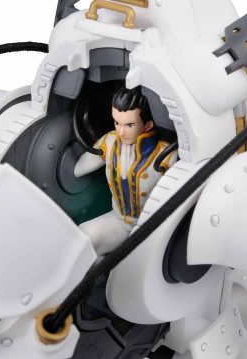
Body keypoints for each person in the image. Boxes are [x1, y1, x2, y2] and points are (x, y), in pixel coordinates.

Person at [74, 87, 176, 256]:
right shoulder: (110, 142)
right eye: (117, 123)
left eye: (129, 125)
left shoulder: (165, 155)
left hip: (154, 227)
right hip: (119, 220)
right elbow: (78, 169)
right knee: (82, 239)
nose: (121, 132)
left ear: (148, 125)